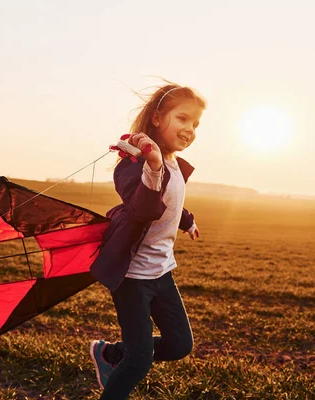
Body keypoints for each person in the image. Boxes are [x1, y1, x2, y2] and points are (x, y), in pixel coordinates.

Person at [89, 82, 206, 399]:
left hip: (162, 274)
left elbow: (171, 203)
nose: (190, 129)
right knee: (139, 360)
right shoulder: (134, 165)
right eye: (182, 119)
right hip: (133, 279)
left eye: (195, 123)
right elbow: (143, 208)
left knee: (180, 345)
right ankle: (119, 366)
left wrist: (188, 221)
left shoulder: (171, 162)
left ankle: (109, 354)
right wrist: (152, 165)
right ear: (156, 118)